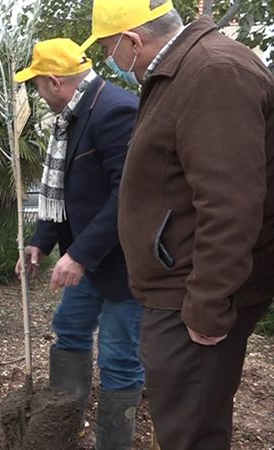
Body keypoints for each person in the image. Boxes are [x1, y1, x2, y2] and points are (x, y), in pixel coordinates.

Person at [80, 0, 274, 448]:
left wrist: (207, 305)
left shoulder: (212, 73)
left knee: (191, 432)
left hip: (193, 292)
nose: (111, 62)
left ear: (132, 41)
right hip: (178, 284)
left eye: (110, 49)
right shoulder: (181, 73)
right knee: (181, 424)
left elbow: (232, 202)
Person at [13, 38, 143, 449]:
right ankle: (63, 428)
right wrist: (41, 241)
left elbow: (129, 195)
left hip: (125, 266)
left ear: (55, 82)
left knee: (119, 361)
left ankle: (114, 444)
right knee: (69, 330)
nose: (36, 94)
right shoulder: (72, 116)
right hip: (87, 261)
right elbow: (66, 191)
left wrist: (80, 255)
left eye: (36, 85)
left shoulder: (114, 110)